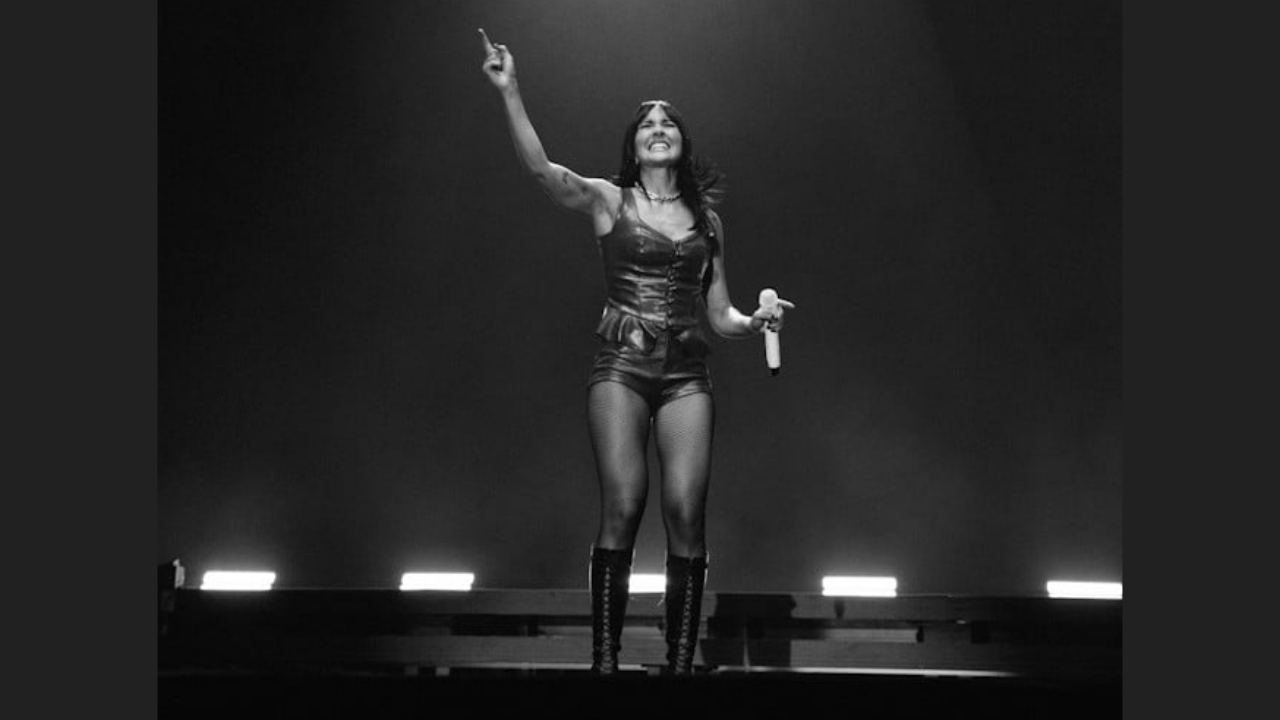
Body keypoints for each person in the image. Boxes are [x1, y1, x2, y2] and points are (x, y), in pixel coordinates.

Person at [479, 29, 794, 675]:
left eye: (667, 122)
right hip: (622, 368)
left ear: (681, 142)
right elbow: (542, 171)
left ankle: (679, 665)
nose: (657, 128)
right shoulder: (608, 199)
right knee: (624, 504)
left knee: (686, 512)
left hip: (685, 375)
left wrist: (756, 320)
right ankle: (606, 663)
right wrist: (510, 91)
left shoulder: (708, 222)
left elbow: (720, 315)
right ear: (633, 145)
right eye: (646, 123)